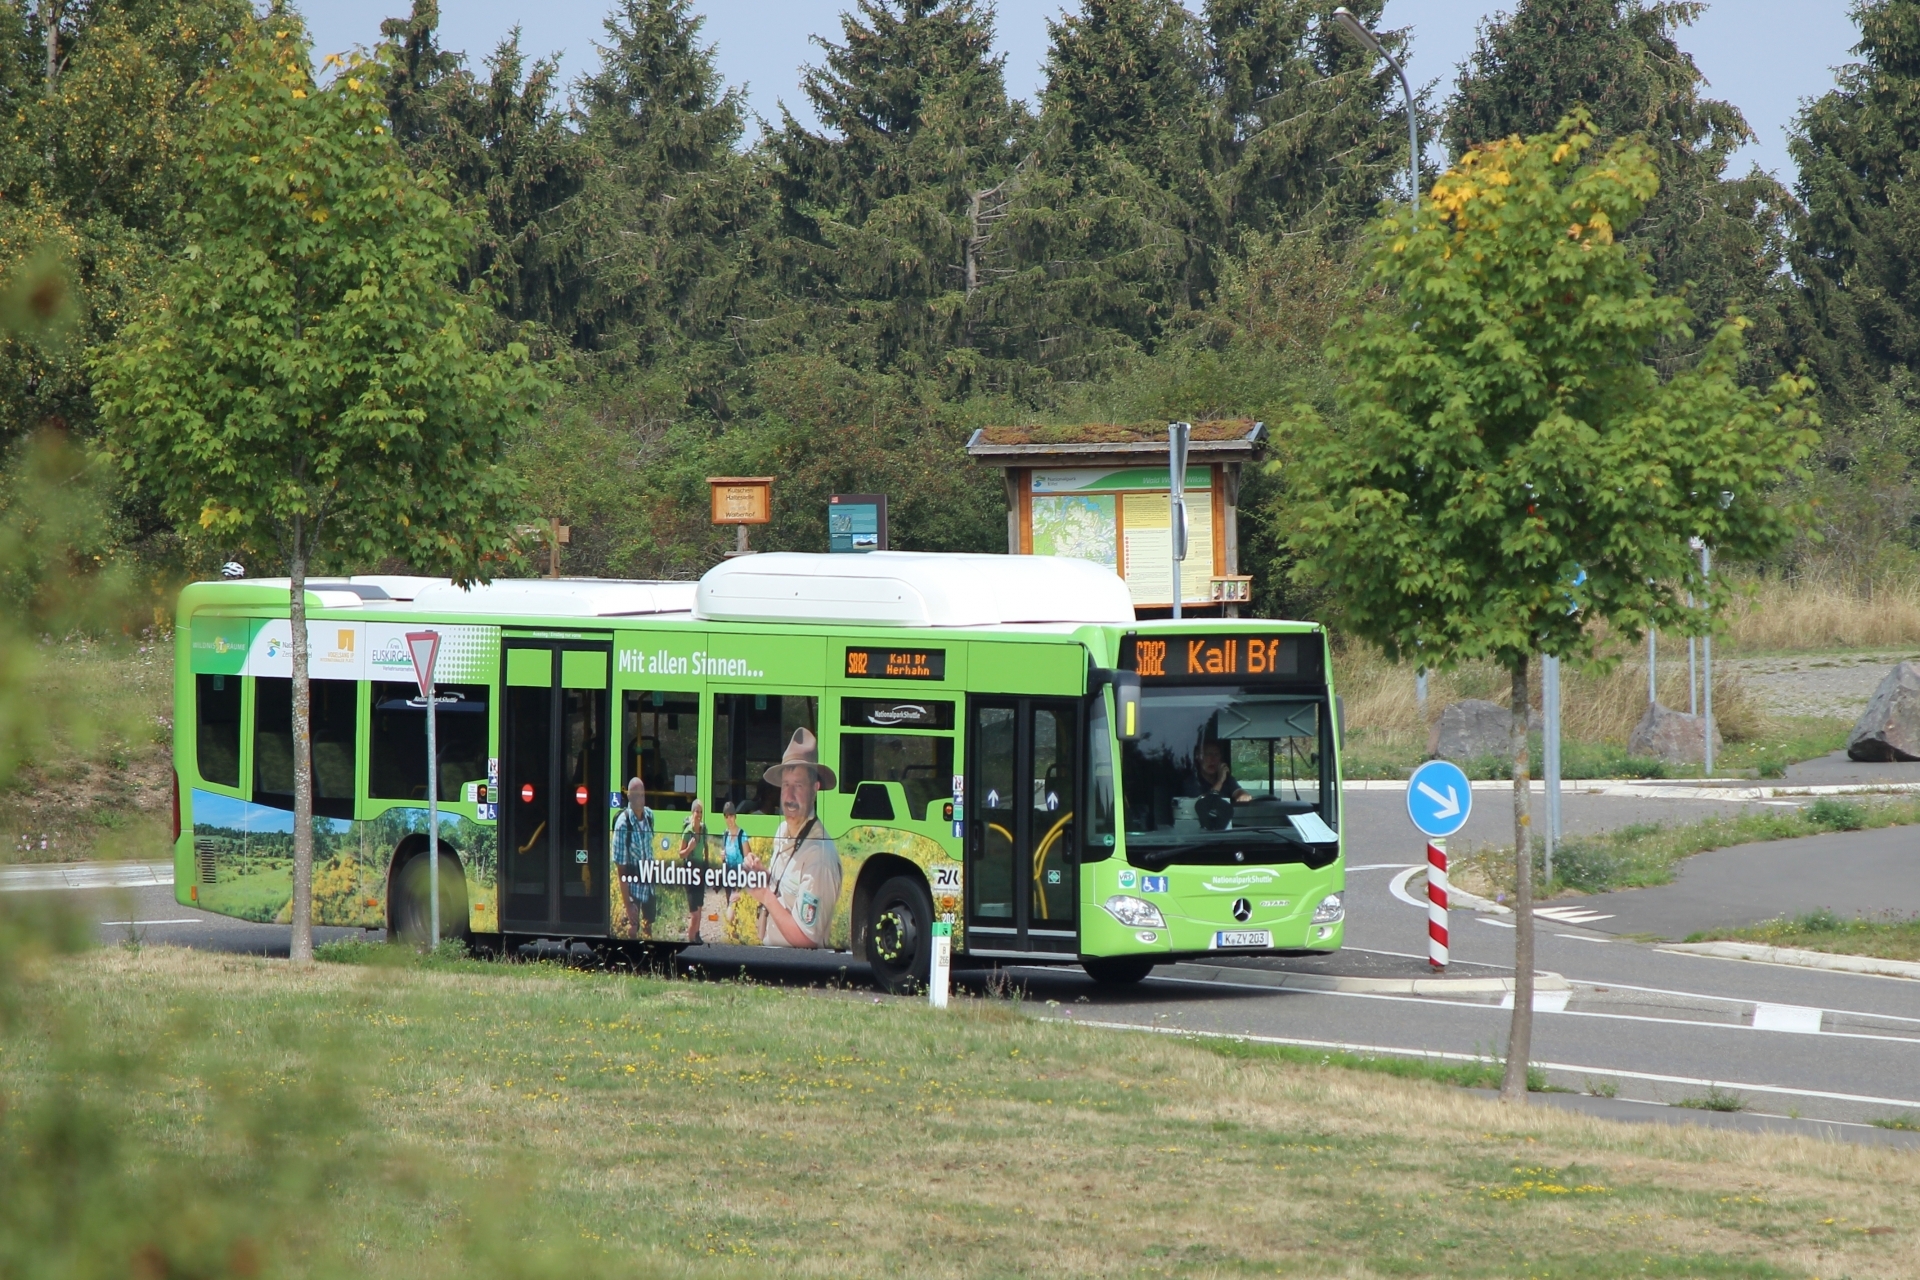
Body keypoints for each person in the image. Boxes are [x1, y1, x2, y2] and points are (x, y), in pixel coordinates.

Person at [744, 728, 842, 949]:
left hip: (797, 972)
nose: (789, 796)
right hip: (775, 961)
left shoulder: (820, 855)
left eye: (798, 786)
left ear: (815, 789)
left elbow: (806, 939)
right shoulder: (783, 831)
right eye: (785, 785)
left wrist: (765, 896)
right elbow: (786, 890)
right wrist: (763, 876)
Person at [612, 777, 656, 938]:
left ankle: (650, 962)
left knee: (648, 928)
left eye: (642, 795)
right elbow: (621, 870)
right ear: (629, 797)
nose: (640, 799)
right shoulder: (623, 825)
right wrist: (628, 905)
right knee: (632, 930)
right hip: (633, 890)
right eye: (636, 795)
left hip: (649, 886)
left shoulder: (650, 816)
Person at [680, 799, 709, 943]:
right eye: (696, 811)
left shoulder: (703, 829)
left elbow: (706, 846)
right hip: (689, 873)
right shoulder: (688, 832)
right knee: (694, 914)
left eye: (700, 812)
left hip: (700, 872)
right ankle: (690, 940)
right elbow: (681, 854)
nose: (699, 814)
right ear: (692, 813)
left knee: (699, 907)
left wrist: (707, 864)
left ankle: (696, 935)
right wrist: (690, 848)